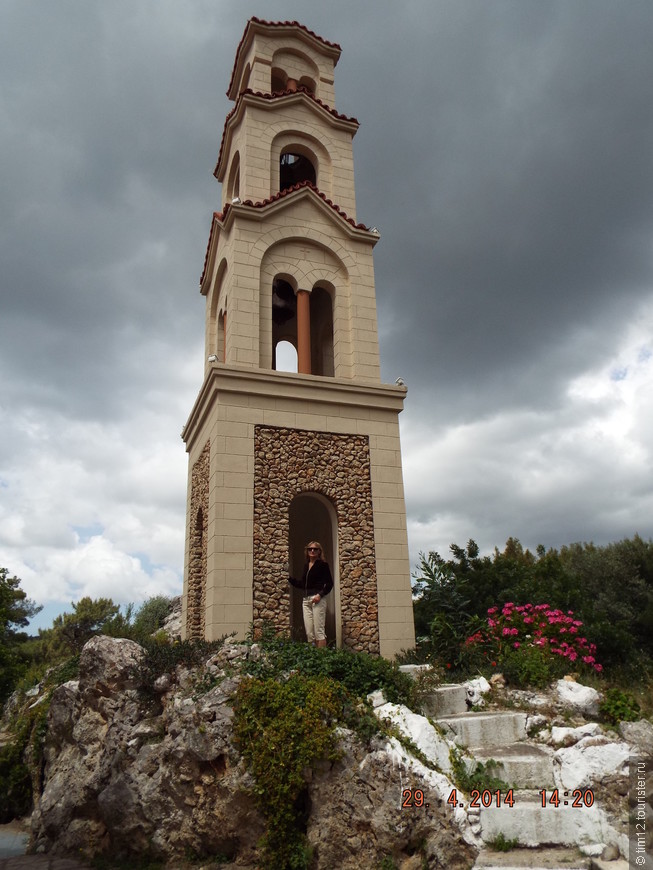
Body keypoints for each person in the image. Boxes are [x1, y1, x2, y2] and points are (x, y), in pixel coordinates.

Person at [288, 541, 333, 647]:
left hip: (317, 599)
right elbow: (303, 584)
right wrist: (289, 579)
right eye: (310, 549)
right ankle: (312, 657)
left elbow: (329, 583)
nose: (312, 551)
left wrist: (320, 595)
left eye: (315, 549)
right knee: (309, 633)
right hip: (306, 600)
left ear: (319, 551)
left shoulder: (323, 565)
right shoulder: (306, 565)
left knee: (319, 631)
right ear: (307, 551)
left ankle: (322, 659)